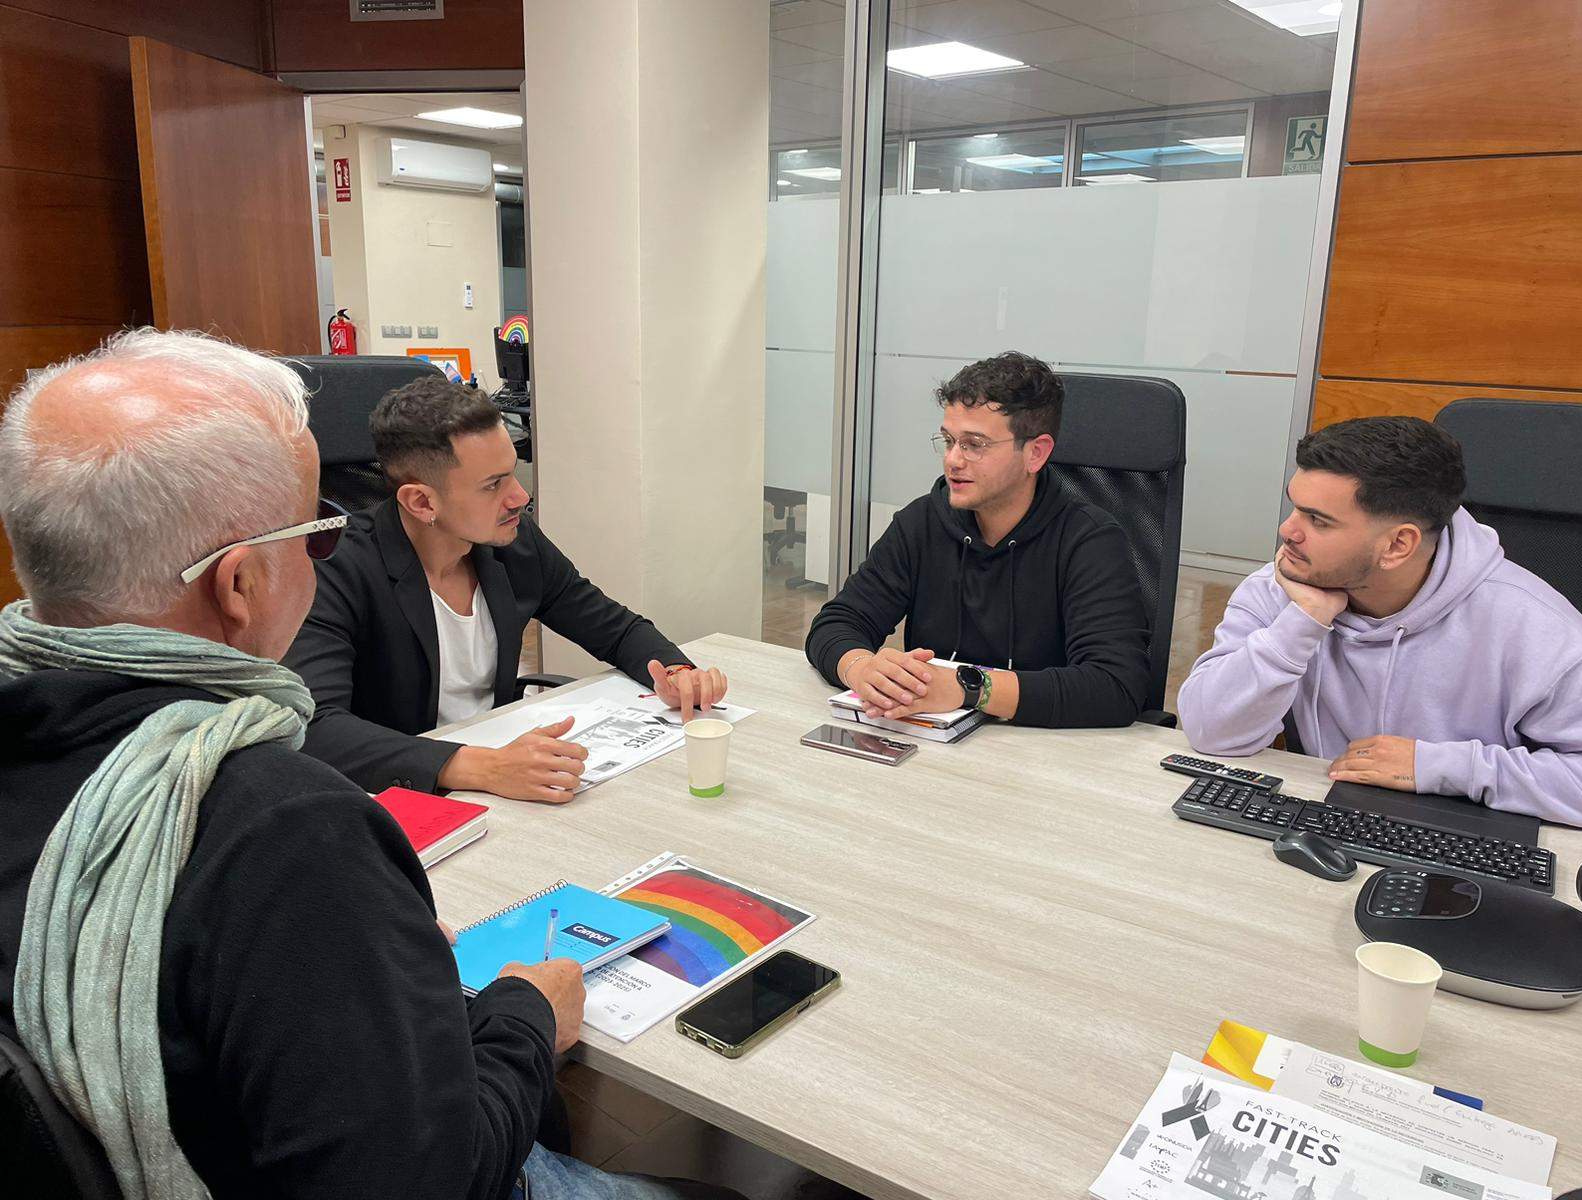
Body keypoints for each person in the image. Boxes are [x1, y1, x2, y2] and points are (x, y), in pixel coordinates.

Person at [0, 329, 735, 1199]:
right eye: (314, 532)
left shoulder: (53, 760)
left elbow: (600, 614)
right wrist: (524, 1015)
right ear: (238, 586)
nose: (516, 496)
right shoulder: (284, 831)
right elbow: (429, 1173)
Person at [285, 375, 729, 801]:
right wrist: (483, 768)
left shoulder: (512, 544)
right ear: (422, 502)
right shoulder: (336, 568)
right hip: (404, 798)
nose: (519, 497)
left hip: (506, 775)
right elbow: (314, 727)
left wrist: (674, 673)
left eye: (512, 474)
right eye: (493, 485)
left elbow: (613, 628)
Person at [1178, 415, 1582, 828]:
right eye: (1295, 506)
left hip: (1459, 840)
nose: (1288, 530)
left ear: (1398, 544)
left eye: (1318, 520)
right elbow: (1210, 733)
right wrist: (1303, 622)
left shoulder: (1538, 627)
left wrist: (1444, 767)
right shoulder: (1283, 585)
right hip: (1325, 822)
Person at [804, 351, 1149, 727]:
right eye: (949, 440)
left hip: (1043, 756)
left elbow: (1114, 686)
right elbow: (837, 622)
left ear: (1036, 453)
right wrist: (862, 667)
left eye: (974, 444)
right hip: (929, 744)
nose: (953, 460)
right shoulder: (922, 522)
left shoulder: (1088, 540)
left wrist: (970, 688)